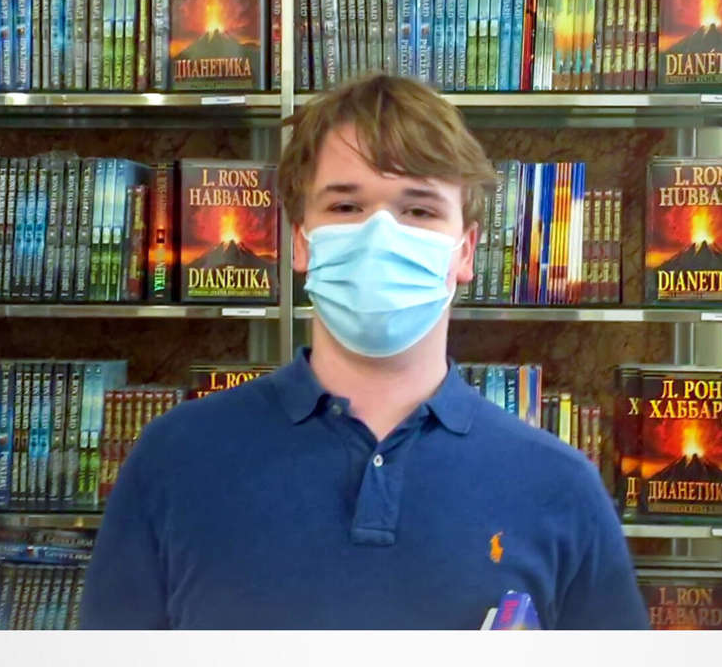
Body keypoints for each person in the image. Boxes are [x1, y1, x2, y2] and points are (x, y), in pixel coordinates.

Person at [79, 73, 649, 629]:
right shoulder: (174, 460)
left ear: (465, 251)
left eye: (419, 210)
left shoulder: (561, 488)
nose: (380, 235)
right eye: (346, 208)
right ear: (300, 241)